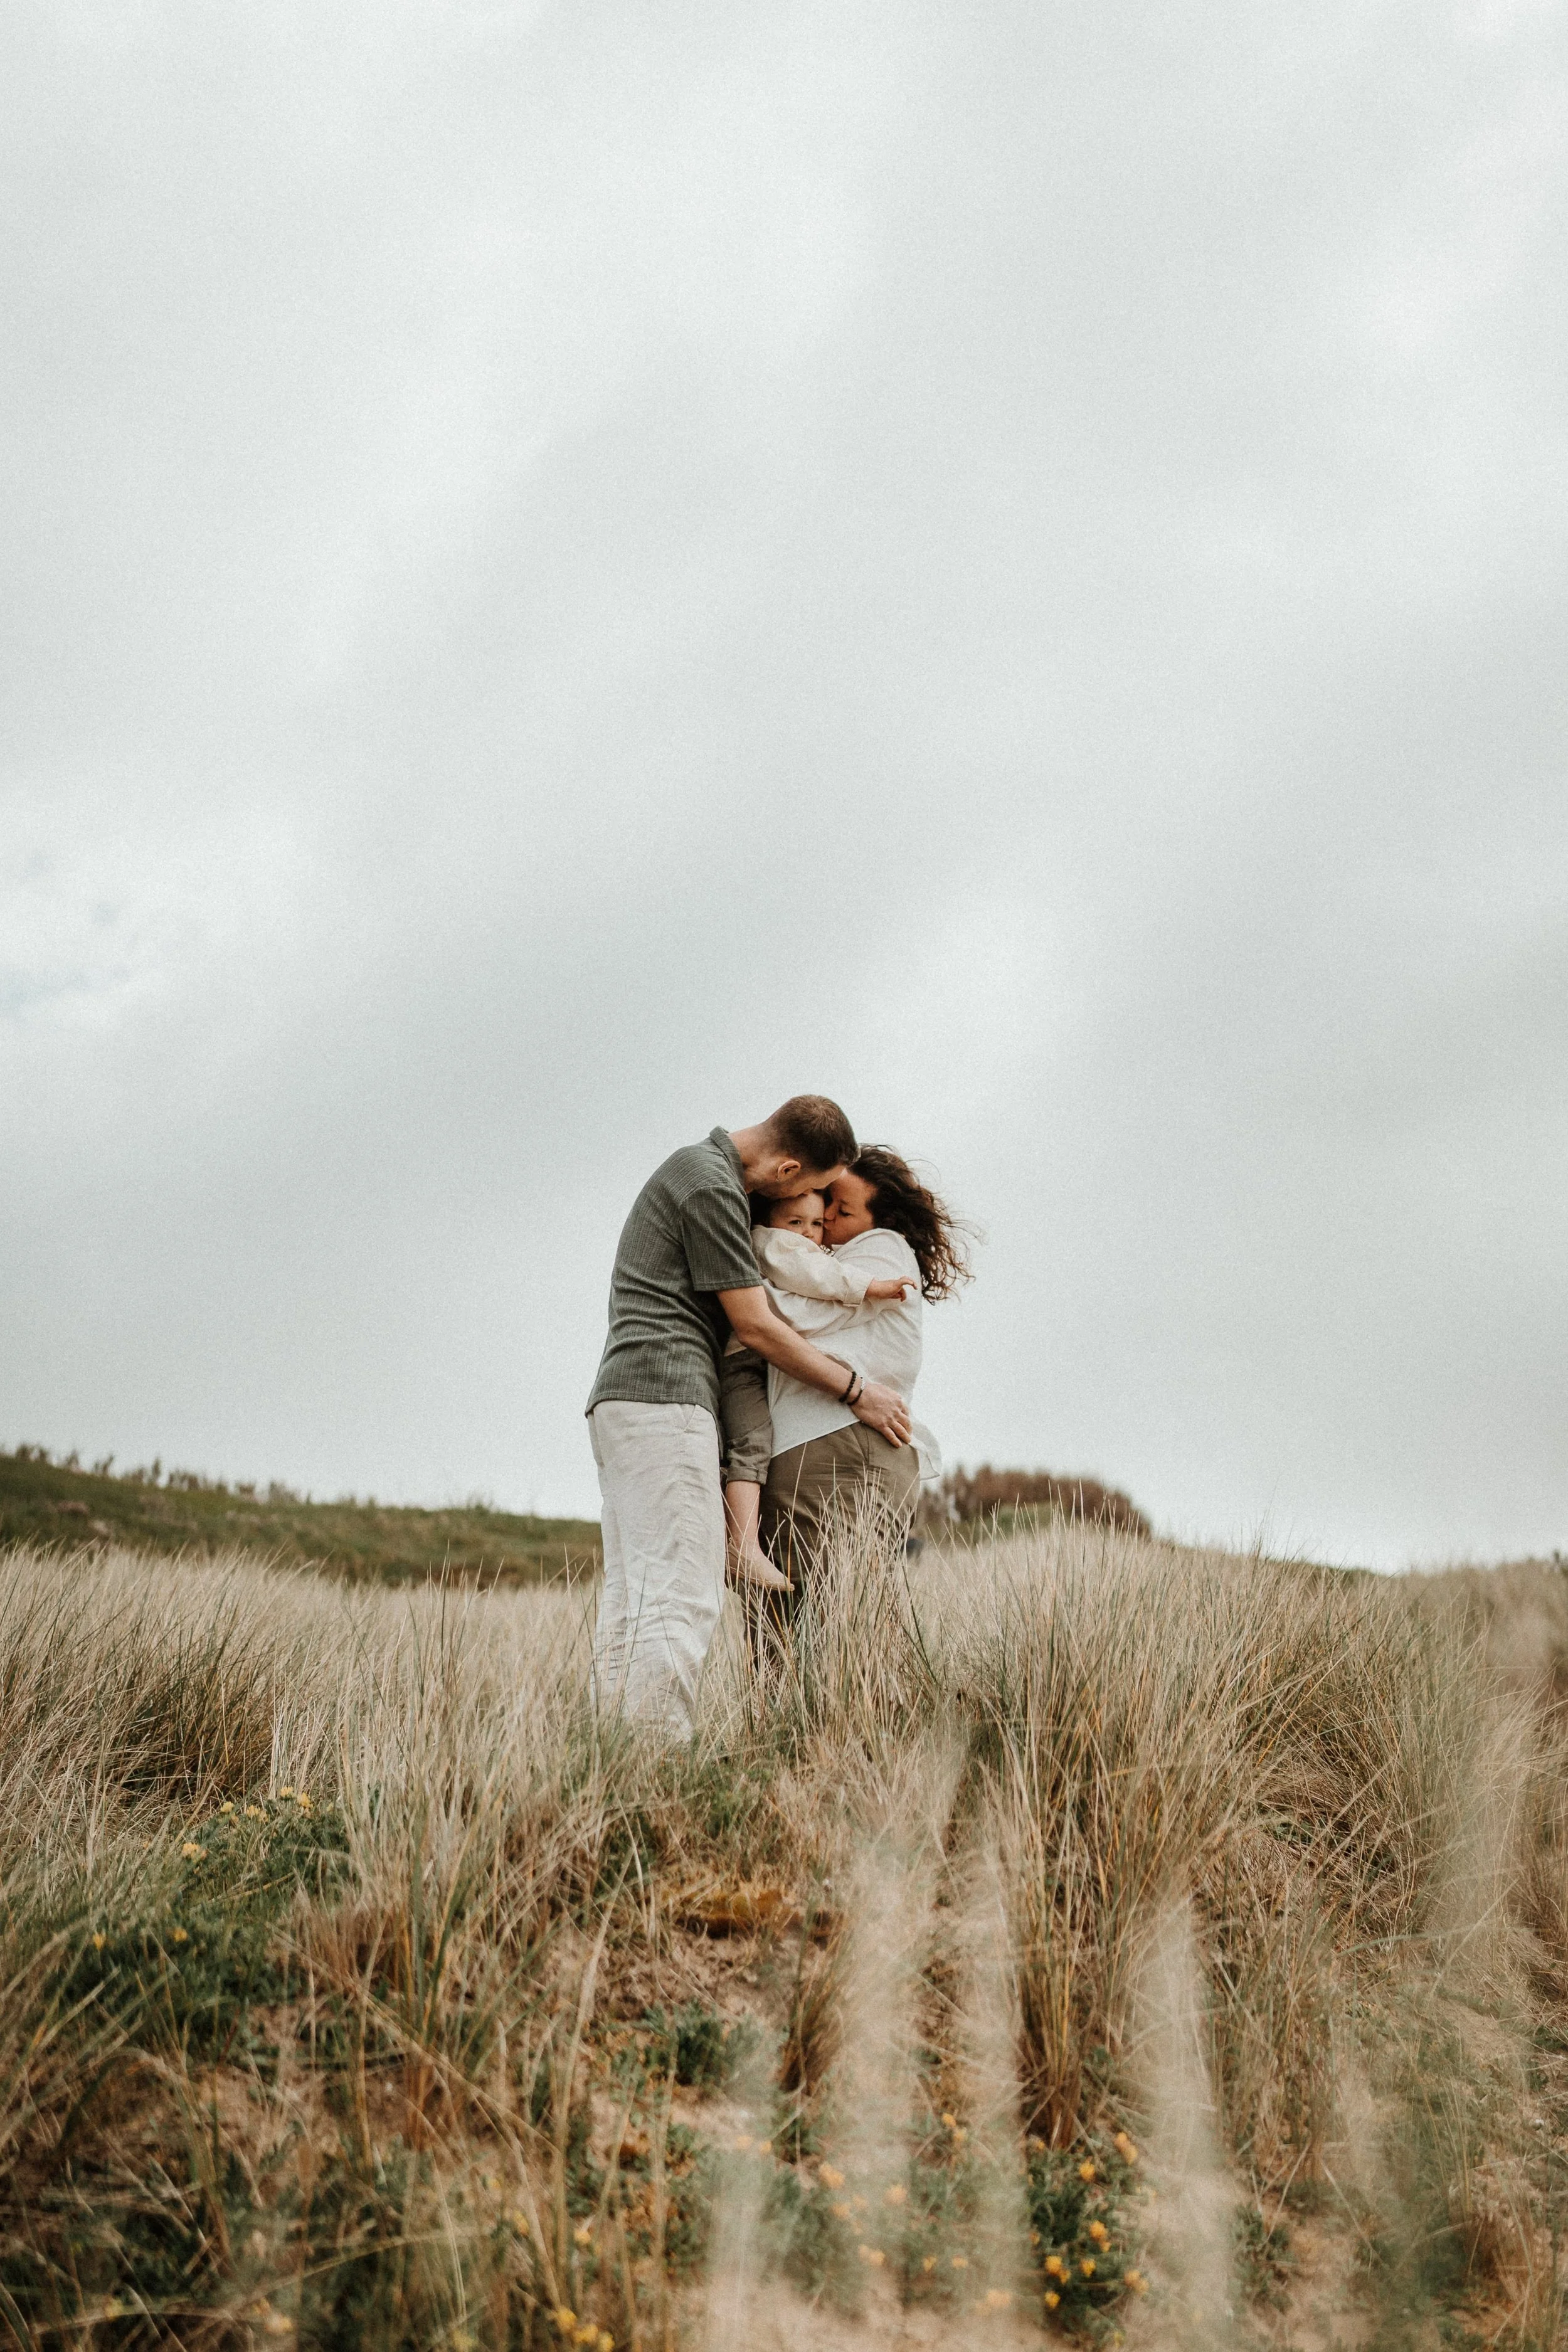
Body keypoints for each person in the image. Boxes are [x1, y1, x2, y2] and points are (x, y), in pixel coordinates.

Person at [584, 1099, 913, 1737]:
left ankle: (615, 1762)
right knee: (681, 1596)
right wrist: (856, 1389)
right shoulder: (711, 1186)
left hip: (631, 1402)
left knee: (635, 1598)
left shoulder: (696, 1172)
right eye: (815, 1192)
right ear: (789, 1168)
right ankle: (657, 1768)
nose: (814, 1214)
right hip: (665, 1401)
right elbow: (756, 1325)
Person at [758, 1147, 970, 1590]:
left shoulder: (881, 1249)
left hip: (837, 1439)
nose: (827, 1216)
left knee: (828, 1617)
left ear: (881, 1221)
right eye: (828, 1199)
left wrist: (741, 1293)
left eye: (845, 1210)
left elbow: (799, 1318)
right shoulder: (826, 1261)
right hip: (828, 1442)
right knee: (811, 1622)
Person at [719, 1187, 914, 1589]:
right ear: (770, 1221)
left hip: (761, 1367)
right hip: (744, 1365)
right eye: (796, 1222)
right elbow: (810, 1291)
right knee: (751, 1443)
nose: (809, 1233)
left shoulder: (801, 1247)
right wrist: (871, 1290)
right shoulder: (773, 1244)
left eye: (818, 1223)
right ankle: (741, 1545)